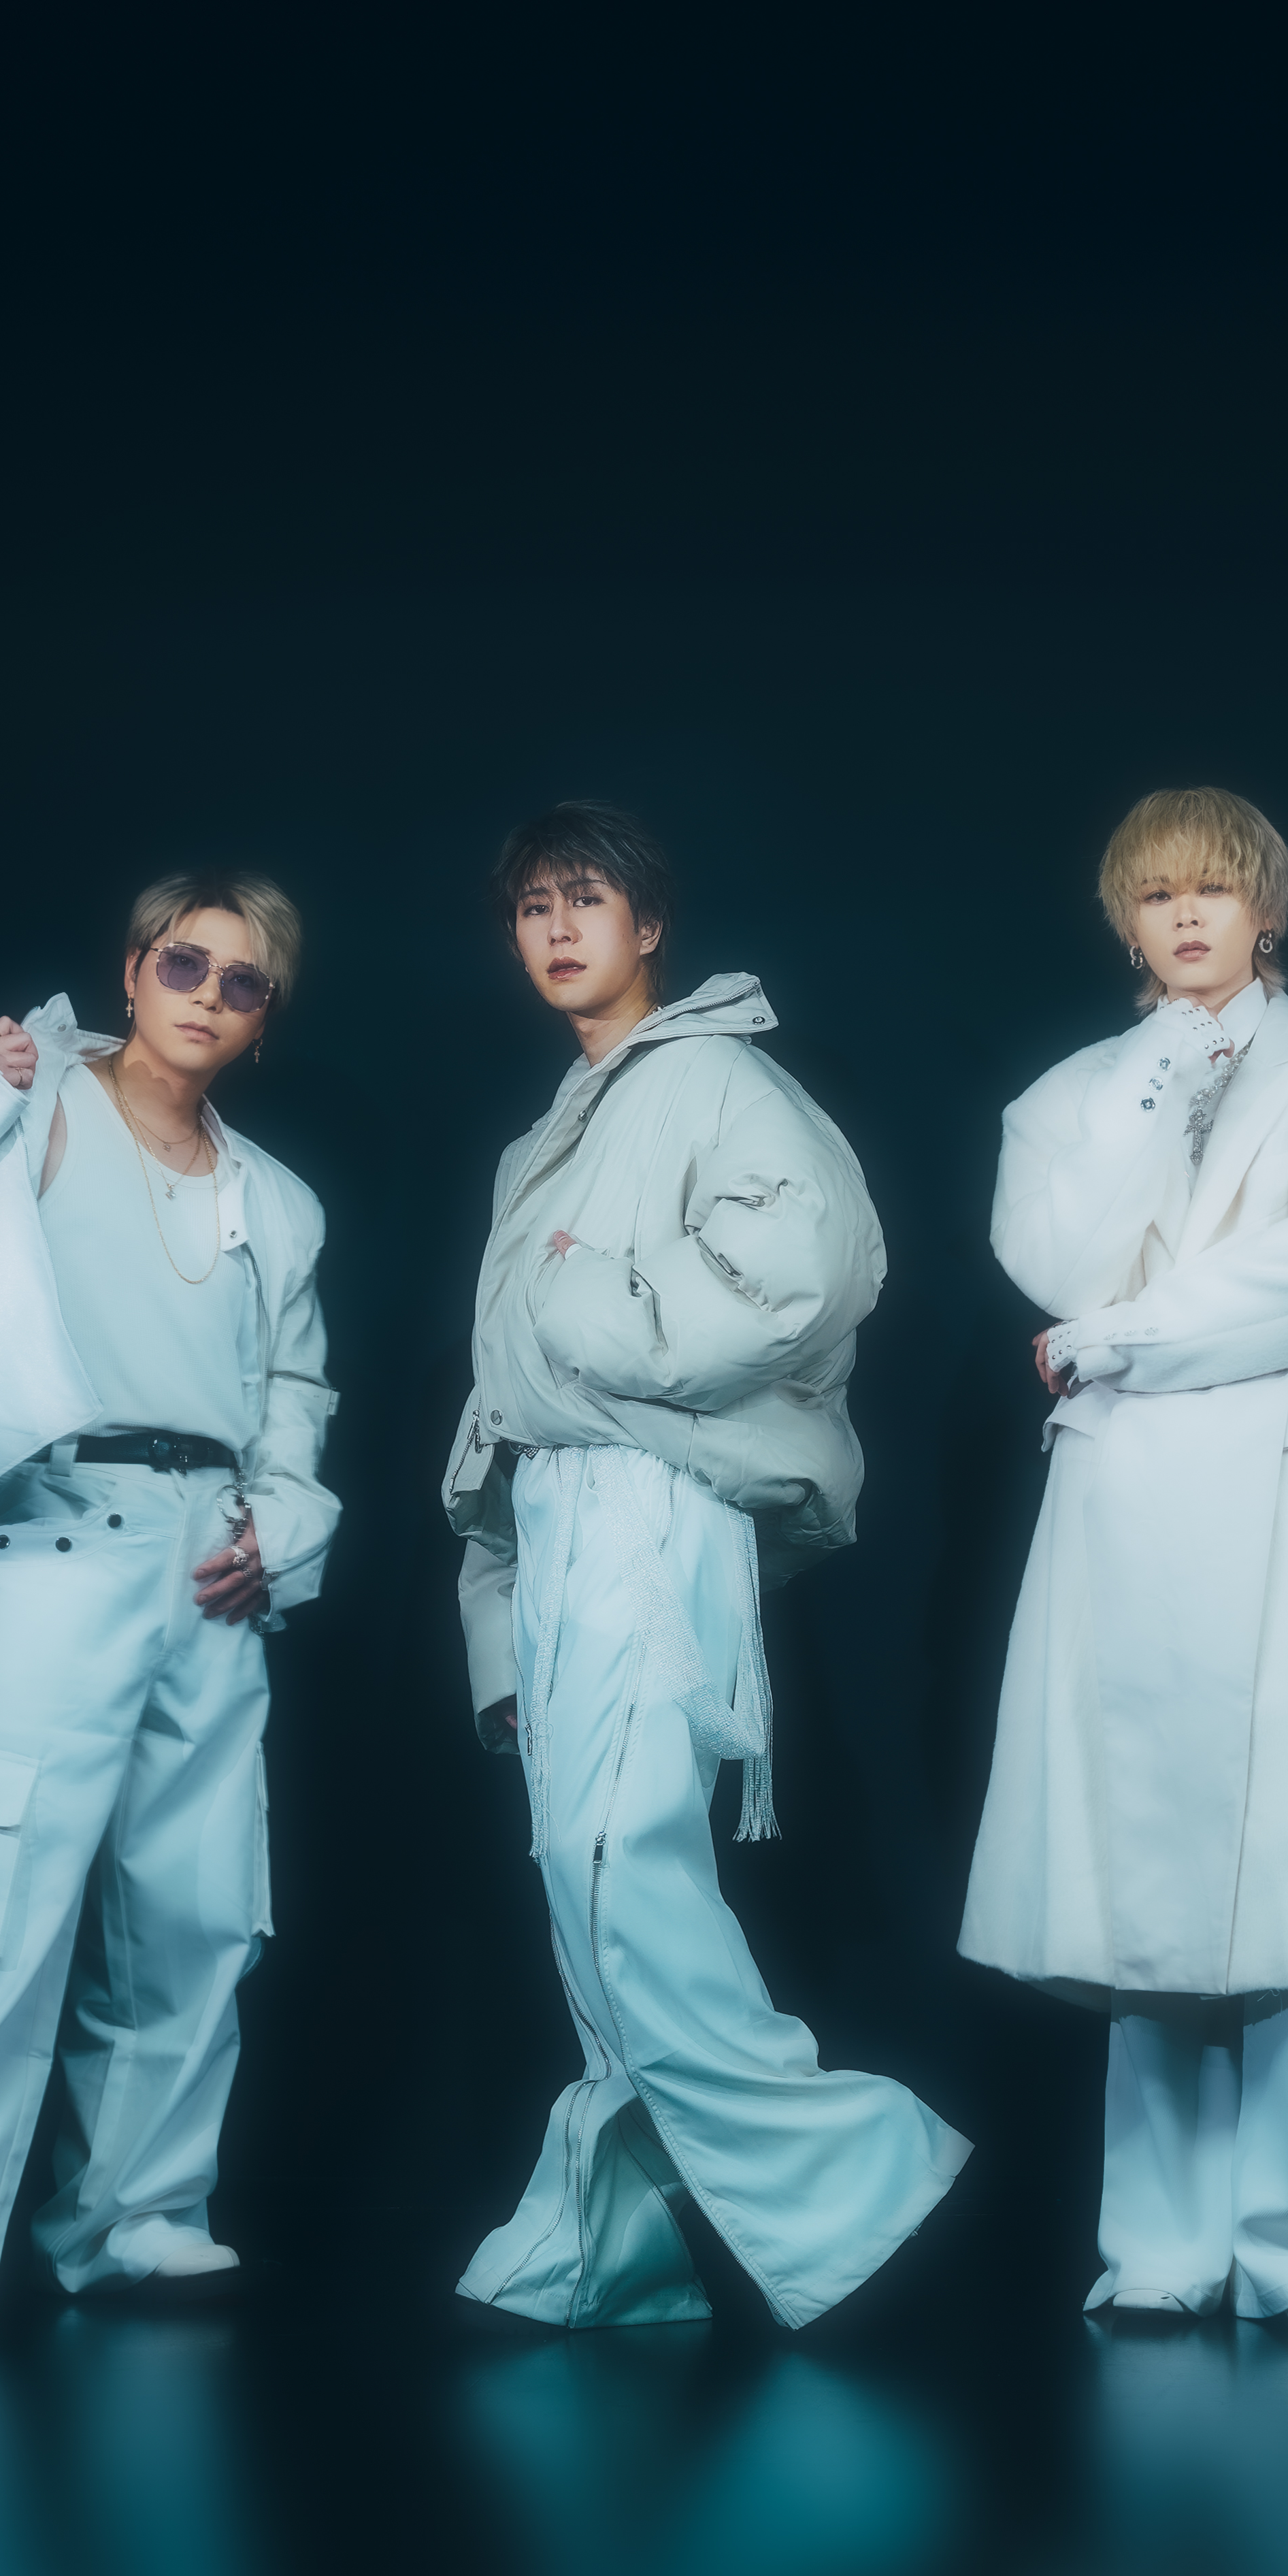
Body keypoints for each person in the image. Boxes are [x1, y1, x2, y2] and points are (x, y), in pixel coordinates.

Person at [0, 873, 339, 2341]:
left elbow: (296, 1395)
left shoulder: (277, 1199)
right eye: (185, 964)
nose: (207, 996)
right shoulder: (23, 1090)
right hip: (49, 1532)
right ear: (135, 967)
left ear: (268, 1018)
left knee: (195, 1908)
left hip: (208, 1565)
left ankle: (135, 2218)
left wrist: (282, 1530)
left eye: (243, 982)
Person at [445, 801, 966, 2332]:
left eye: (586, 899)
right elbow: (506, 1402)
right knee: (579, 1886)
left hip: (652, 1499)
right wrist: (495, 1624)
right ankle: (612, 2247)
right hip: (559, 1518)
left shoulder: (721, 1077)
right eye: (533, 906)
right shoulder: (553, 1128)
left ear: (650, 924)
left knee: (617, 1863)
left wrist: (592, 1301)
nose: (558, 929)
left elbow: (815, 1268)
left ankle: (859, 2171)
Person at [962, 787, 1288, 2336]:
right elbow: (1060, 1261)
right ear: (1125, 921)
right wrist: (1154, 1078)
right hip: (1124, 1496)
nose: (1185, 915)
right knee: (1144, 1874)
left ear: (1265, 910)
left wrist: (1113, 1339)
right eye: (1156, 893)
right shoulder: (1068, 1096)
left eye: (1214, 890)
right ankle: (1160, 2242)